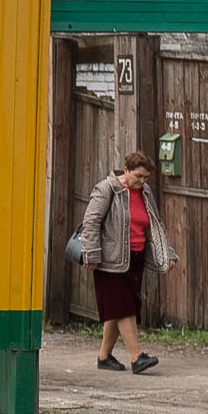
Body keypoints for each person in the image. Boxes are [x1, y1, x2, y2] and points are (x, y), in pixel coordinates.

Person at [80, 150, 177, 374]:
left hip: (136, 258)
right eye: (138, 177)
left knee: (118, 309)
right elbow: (91, 221)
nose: (142, 182)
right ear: (126, 170)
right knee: (124, 307)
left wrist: (168, 252)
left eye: (145, 178)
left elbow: (156, 223)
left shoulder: (145, 192)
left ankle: (104, 357)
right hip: (109, 260)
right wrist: (91, 253)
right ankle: (137, 357)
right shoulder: (107, 189)